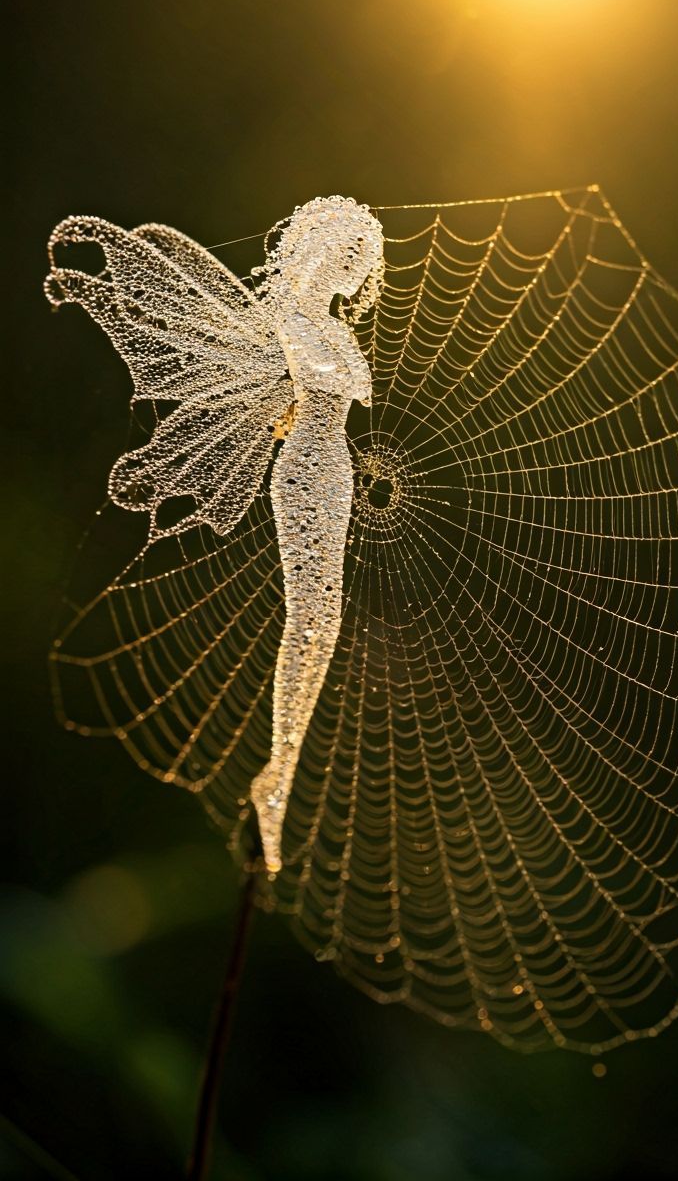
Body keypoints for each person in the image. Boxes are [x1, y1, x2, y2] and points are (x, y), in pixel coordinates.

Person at [249, 197, 384, 874]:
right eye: (346, 254)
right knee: (305, 617)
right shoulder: (295, 321)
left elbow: (335, 390)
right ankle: (275, 773)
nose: (354, 270)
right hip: (305, 466)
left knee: (324, 619)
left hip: (333, 465)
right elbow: (331, 384)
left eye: (358, 260)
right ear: (316, 250)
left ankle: (283, 769)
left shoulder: (324, 325)